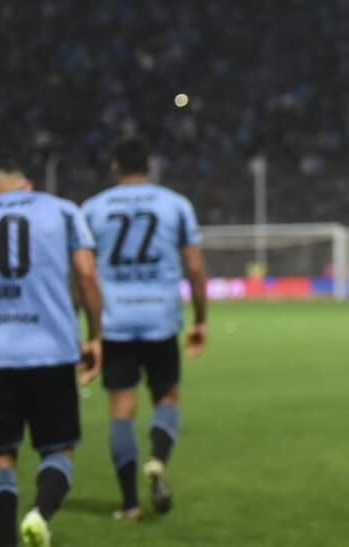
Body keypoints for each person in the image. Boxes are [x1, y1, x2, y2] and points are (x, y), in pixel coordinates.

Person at [0, 161, 102, 547]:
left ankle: (5, 544)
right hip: (51, 350)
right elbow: (86, 274)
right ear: (28, 186)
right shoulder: (60, 208)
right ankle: (40, 514)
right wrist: (95, 336)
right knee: (59, 449)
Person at [80, 136, 207, 520]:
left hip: (115, 321)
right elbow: (196, 269)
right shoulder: (175, 205)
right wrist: (201, 319)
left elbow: (82, 274)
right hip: (160, 319)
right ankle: (157, 459)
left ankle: (130, 504)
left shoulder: (92, 208)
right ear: (150, 166)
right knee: (166, 398)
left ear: (114, 166)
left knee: (121, 410)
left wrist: (91, 330)